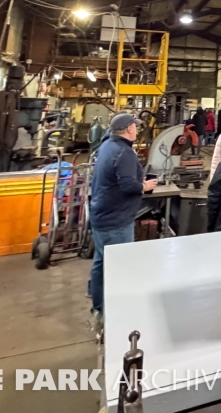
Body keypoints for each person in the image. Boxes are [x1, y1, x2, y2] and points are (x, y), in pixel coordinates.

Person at [88, 113, 157, 325]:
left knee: (101, 264)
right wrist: (144, 186)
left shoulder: (107, 146)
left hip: (101, 215)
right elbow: (128, 186)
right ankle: (116, 318)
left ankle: (99, 309)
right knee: (119, 269)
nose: (137, 129)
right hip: (116, 221)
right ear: (128, 129)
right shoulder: (123, 152)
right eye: (135, 127)